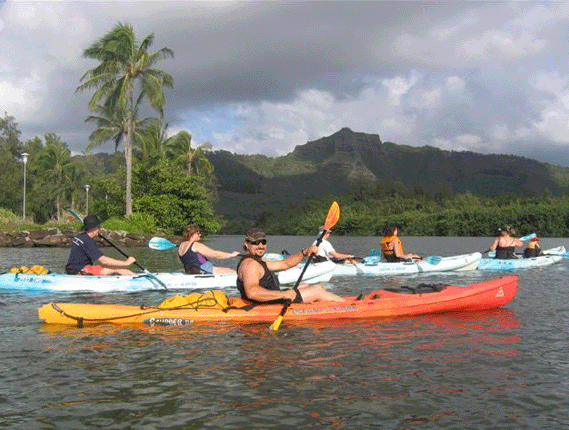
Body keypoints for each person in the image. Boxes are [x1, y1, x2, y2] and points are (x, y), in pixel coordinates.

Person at [236, 228, 344, 304]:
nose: (260, 246)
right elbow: (252, 292)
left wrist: (304, 253)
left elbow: (285, 264)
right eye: (255, 243)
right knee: (317, 290)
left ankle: (330, 302)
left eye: (263, 242)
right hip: (263, 304)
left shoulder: (257, 262)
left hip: (268, 300)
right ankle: (347, 306)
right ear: (246, 244)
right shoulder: (250, 265)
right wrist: (284, 295)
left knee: (304, 285)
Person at [65, 214, 136, 275]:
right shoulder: (87, 241)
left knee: (111, 268)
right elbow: (103, 260)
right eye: (99, 227)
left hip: (72, 269)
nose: (100, 229)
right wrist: (126, 263)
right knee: (121, 270)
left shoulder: (80, 236)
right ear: (94, 228)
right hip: (81, 270)